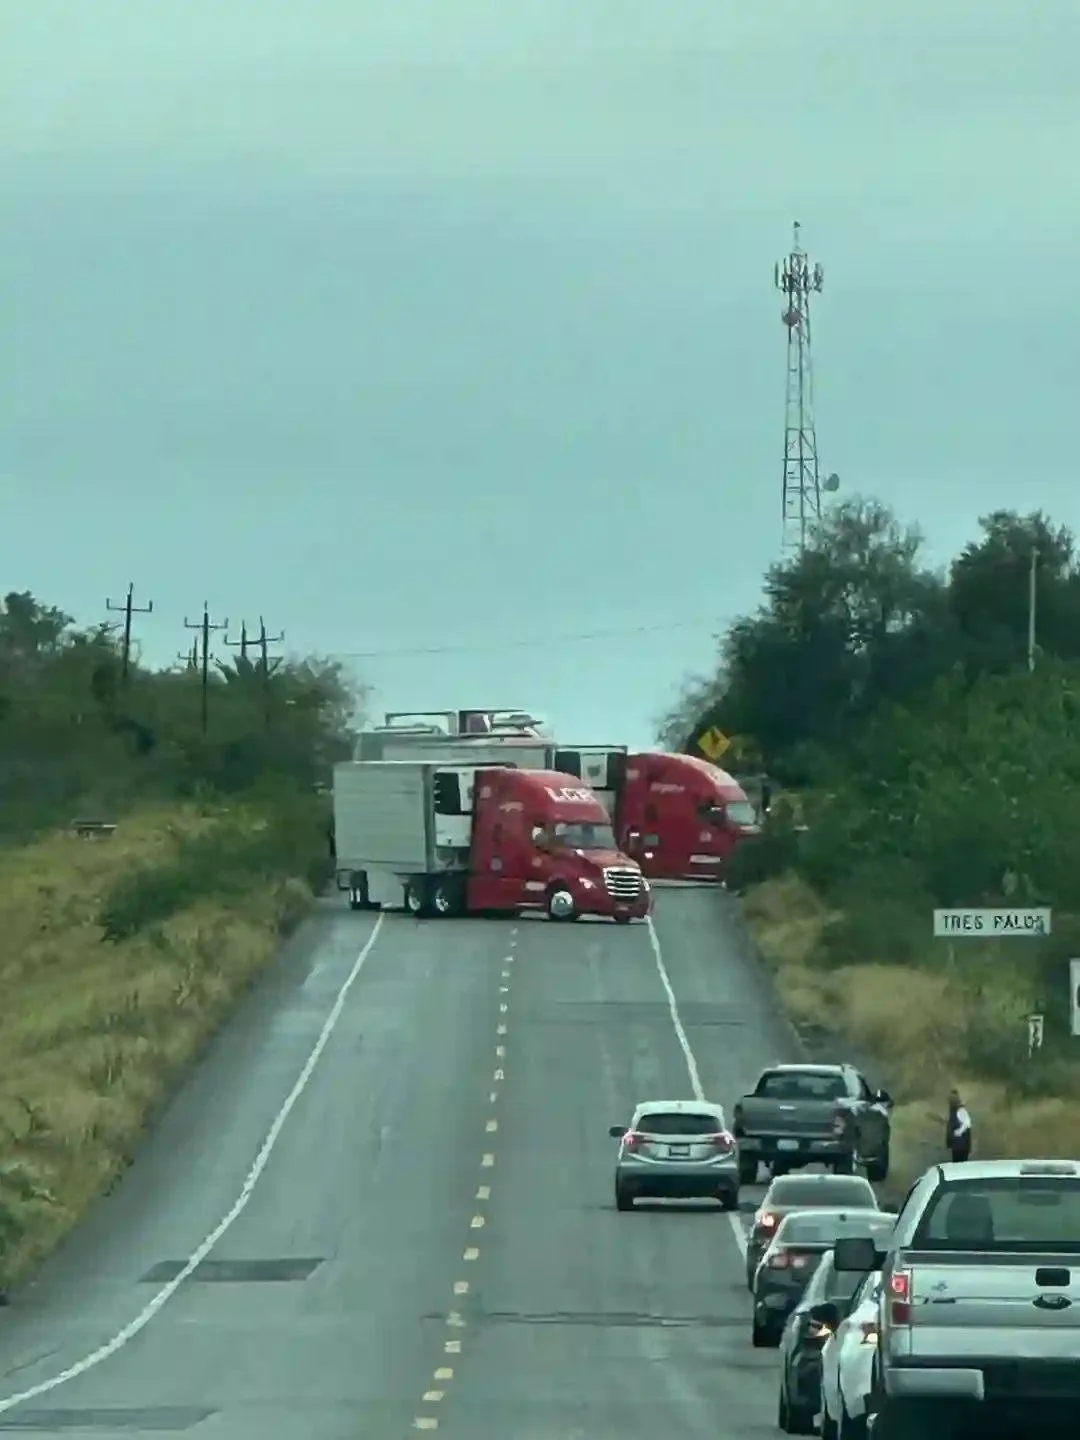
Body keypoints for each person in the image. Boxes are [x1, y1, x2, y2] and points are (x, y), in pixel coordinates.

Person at [945, 1088, 973, 1162]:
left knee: (960, 1166)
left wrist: (958, 1132)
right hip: (957, 1146)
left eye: (953, 1098)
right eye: (950, 1099)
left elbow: (967, 1124)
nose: (950, 1101)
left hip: (961, 1146)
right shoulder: (953, 1111)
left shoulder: (961, 1110)